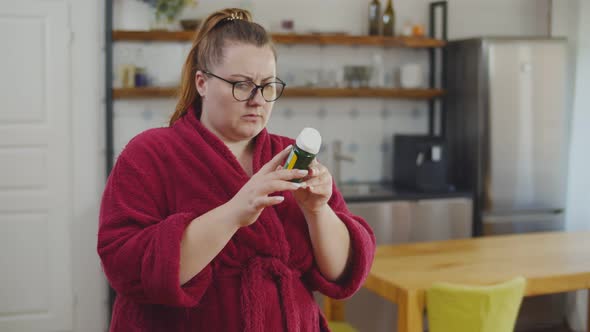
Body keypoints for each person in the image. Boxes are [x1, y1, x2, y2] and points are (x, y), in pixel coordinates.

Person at [98, 8, 375, 332]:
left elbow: (343, 271)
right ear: (202, 82)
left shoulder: (288, 155)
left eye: (268, 85)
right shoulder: (149, 154)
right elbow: (124, 266)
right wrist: (235, 211)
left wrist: (318, 211)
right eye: (242, 85)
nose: (258, 100)